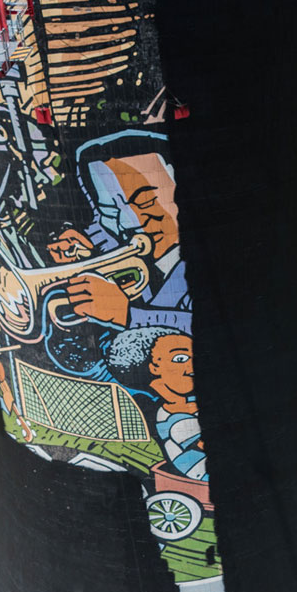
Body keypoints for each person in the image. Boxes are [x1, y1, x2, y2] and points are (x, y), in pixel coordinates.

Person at [61, 131, 192, 334]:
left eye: (146, 202)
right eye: (110, 211)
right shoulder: (134, 262)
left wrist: (126, 314)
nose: (128, 223)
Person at [106, 325, 206, 483]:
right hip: (203, 473)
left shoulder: (187, 404)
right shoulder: (176, 420)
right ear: (153, 368)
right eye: (180, 358)